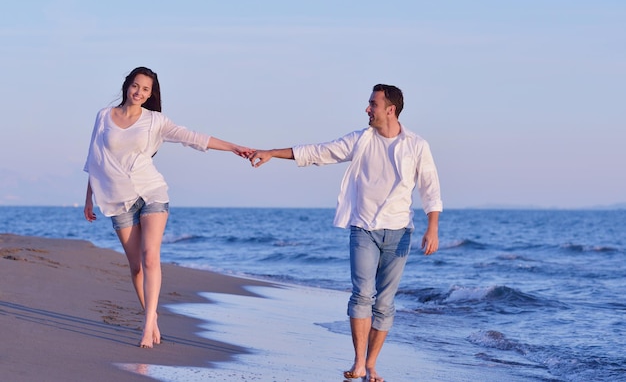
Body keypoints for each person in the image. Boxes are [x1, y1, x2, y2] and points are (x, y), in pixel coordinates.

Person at [249, 84, 442, 382]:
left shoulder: (417, 145)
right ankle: (359, 363)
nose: (367, 109)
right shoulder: (360, 140)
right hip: (363, 228)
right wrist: (273, 152)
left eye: (372, 104)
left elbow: (430, 188)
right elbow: (318, 152)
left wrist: (432, 228)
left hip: (400, 232)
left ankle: (372, 362)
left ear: (390, 109)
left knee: (385, 302)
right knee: (362, 294)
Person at [83, 66, 253, 348]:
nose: (139, 92)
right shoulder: (104, 116)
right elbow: (94, 159)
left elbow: (194, 137)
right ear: (127, 85)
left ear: (151, 94)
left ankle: (148, 323)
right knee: (136, 266)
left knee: (151, 257)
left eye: (146, 89)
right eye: (136, 86)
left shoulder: (155, 121)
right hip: (116, 199)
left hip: (151, 192)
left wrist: (234, 147)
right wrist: (89, 197)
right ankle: (152, 315)